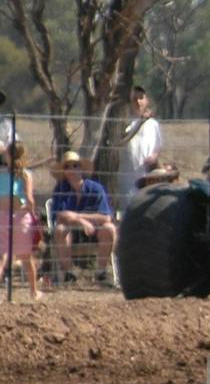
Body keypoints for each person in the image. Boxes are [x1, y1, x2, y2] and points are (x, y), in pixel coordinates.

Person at [50, 150, 117, 284]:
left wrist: (77, 216)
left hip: (94, 231)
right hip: (71, 232)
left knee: (109, 228)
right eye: (67, 167)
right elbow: (60, 216)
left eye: (75, 165)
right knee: (60, 229)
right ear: (64, 171)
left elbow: (106, 217)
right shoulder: (60, 189)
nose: (72, 169)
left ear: (81, 168)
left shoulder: (96, 188)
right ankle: (69, 274)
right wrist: (81, 221)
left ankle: (101, 272)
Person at [0, 142, 43, 300]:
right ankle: (33, 291)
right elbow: (30, 200)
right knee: (26, 257)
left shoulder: (1, 173)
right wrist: (32, 213)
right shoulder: (25, 175)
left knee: (2, 255)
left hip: (2, 216)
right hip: (20, 216)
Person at [119, 85, 163, 212]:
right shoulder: (124, 123)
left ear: (146, 100)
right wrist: (140, 122)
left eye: (141, 98)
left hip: (146, 175)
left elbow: (158, 146)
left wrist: (154, 156)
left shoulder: (153, 124)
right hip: (127, 176)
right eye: (135, 98)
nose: (138, 102)